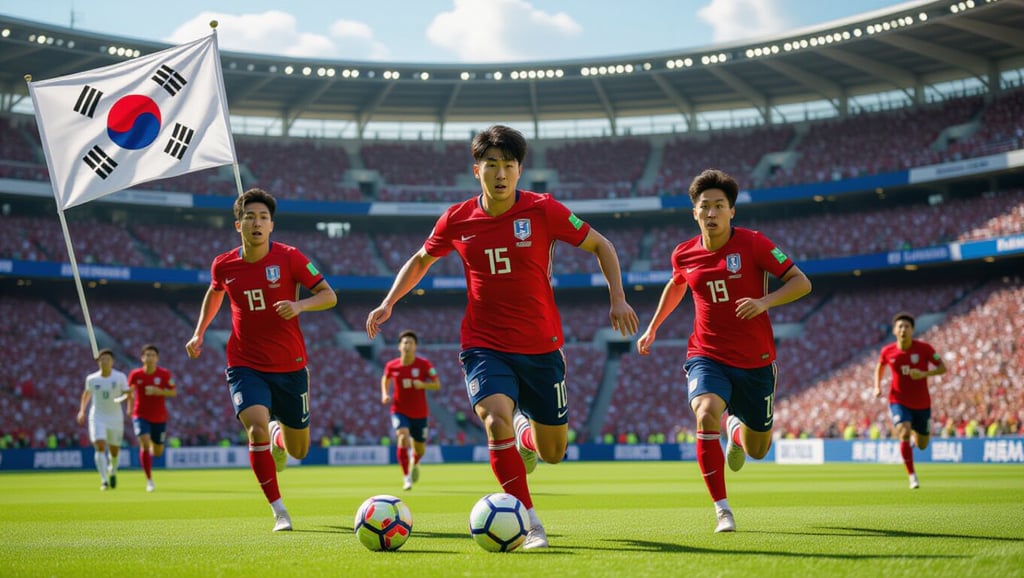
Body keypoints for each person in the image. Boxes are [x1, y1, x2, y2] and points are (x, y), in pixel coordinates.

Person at [366, 125, 639, 549]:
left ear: (519, 170)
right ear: (477, 170)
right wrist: (389, 302)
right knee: (494, 420)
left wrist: (617, 298)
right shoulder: (457, 219)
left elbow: (602, 245)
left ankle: (527, 433)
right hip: (484, 344)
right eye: (491, 165)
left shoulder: (543, 210)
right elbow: (421, 260)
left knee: (552, 452)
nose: (500, 173)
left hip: (542, 346)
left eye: (508, 165)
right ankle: (530, 523)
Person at [636, 168, 812, 533]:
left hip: (756, 362)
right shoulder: (683, 253)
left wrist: (765, 302)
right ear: (694, 213)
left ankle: (735, 431)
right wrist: (653, 326)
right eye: (705, 206)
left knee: (758, 448)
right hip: (706, 354)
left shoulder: (754, 243)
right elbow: (677, 285)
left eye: (719, 205)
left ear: (732, 211)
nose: (712, 212)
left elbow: (802, 282)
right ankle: (722, 509)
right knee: (705, 413)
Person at [185, 188, 337, 532]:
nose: (257, 222)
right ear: (238, 224)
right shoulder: (224, 264)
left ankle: (277, 436)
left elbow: (329, 296)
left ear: (271, 226)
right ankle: (279, 510)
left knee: (298, 450)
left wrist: (299, 306)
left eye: (263, 217)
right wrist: (199, 332)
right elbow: (215, 292)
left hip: (290, 365)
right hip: (244, 363)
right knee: (253, 427)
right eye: (250, 217)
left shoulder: (291, 258)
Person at [874, 312, 947, 489]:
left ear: (913, 330)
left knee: (922, 445)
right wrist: (877, 386)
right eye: (900, 326)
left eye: (907, 326)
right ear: (894, 330)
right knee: (903, 432)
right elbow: (880, 365)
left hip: (922, 403)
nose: (903, 329)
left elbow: (942, 368)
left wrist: (924, 374)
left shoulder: (925, 349)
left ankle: (915, 439)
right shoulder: (887, 351)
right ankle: (912, 476)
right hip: (898, 400)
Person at [380, 329, 440, 491]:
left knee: (420, 449)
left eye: (411, 343)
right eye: (405, 342)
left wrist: (423, 385)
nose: (407, 345)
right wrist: (385, 394)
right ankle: (406, 477)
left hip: (420, 414)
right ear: (399, 346)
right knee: (403, 436)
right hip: (399, 410)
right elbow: (385, 378)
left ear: (415, 347)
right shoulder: (392, 365)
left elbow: (436, 384)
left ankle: (415, 460)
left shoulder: (424, 364)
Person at [77, 348, 130, 491]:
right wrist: (82, 410)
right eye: (102, 359)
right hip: (97, 416)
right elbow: (86, 394)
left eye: (107, 359)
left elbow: (127, 394)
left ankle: (112, 471)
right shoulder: (92, 379)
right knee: (100, 446)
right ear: (98, 361)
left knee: (114, 451)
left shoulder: (120, 377)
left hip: (115, 417)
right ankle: (103, 480)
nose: (104, 361)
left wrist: (125, 399)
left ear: (112, 362)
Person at [126, 344, 177, 492]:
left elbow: (173, 392)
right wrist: (129, 407)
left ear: (157, 358)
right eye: (147, 355)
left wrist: (158, 391)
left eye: (152, 355)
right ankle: (149, 480)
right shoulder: (135, 374)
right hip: (140, 414)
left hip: (159, 417)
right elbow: (130, 392)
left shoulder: (164, 374)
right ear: (142, 358)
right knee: (144, 444)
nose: (149, 358)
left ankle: (150, 457)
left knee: (157, 451)